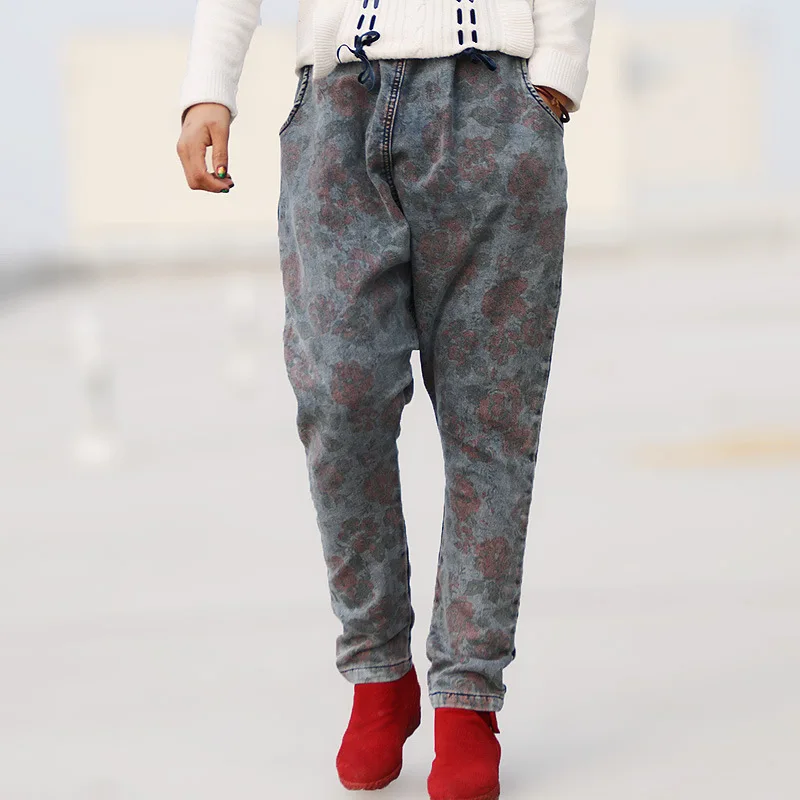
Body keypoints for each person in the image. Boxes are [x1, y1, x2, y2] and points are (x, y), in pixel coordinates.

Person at [177, 2, 596, 798]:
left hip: (495, 101)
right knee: (338, 395)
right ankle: (378, 668)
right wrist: (208, 89)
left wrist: (555, 78)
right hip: (337, 106)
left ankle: (467, 697)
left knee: (490, 417)